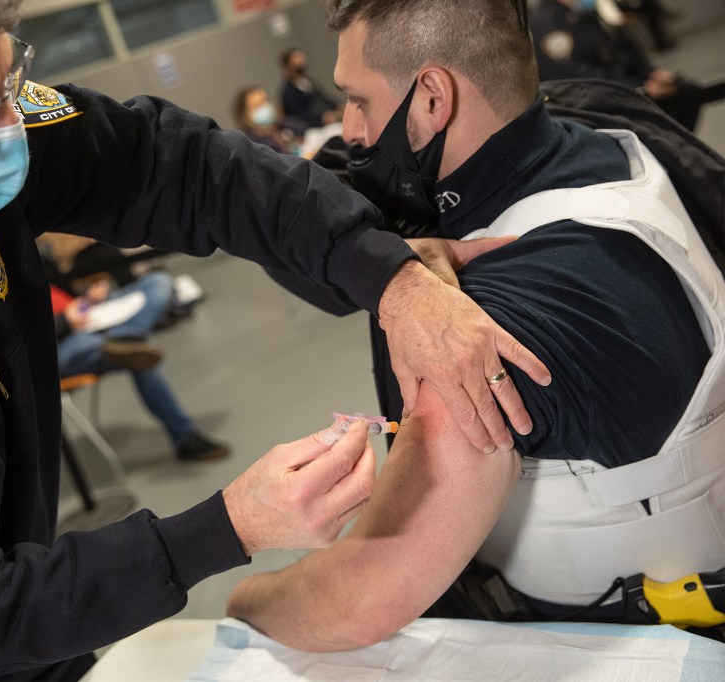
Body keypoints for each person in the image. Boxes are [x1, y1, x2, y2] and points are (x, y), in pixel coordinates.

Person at [0, 1, 553, 679]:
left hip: (29, 614)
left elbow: (175, 167)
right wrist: (226, 527)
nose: (9, 129)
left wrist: (386, 276)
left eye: (9, 81)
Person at [228, 0, 724, 649]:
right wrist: (385, 265)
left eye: (359, 100)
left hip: (610, 639)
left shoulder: (482, 324)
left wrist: (239, 599)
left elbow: (358, 597)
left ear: (433, 97)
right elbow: (304, 225)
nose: (348, 129)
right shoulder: (602, 130)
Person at [48, 266, 230, 462]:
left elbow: (62, 287)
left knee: (158, 282)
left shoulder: (28, 252)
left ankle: (126, 336)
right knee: (140, 355)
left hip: (87, 314)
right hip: (56, 345)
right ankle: (184, 437)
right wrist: (65, 322)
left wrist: (86, 294)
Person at [530, 0, 722, 131]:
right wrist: (640, 89)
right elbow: (574, 80)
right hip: (597, 101)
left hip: (627, 84)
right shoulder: (546, 23)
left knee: (687, 91)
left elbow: (626, 49)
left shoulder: (590, 9)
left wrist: (651, 74)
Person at [280, 48, 344, 133]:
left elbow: (323, 97)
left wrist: (338, 106)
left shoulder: (308, 82)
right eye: (296, 58)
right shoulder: (288, 92)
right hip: (313, 129)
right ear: (287, 66)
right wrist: (322, 118)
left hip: (329, 121)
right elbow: (300, 116)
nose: (301, 61)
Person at [233, 85, 299, 155]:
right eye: (257, 105)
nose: (264, 107)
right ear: (245, 117)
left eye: (265, 101)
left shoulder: (288, 124)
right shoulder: (253, 147)